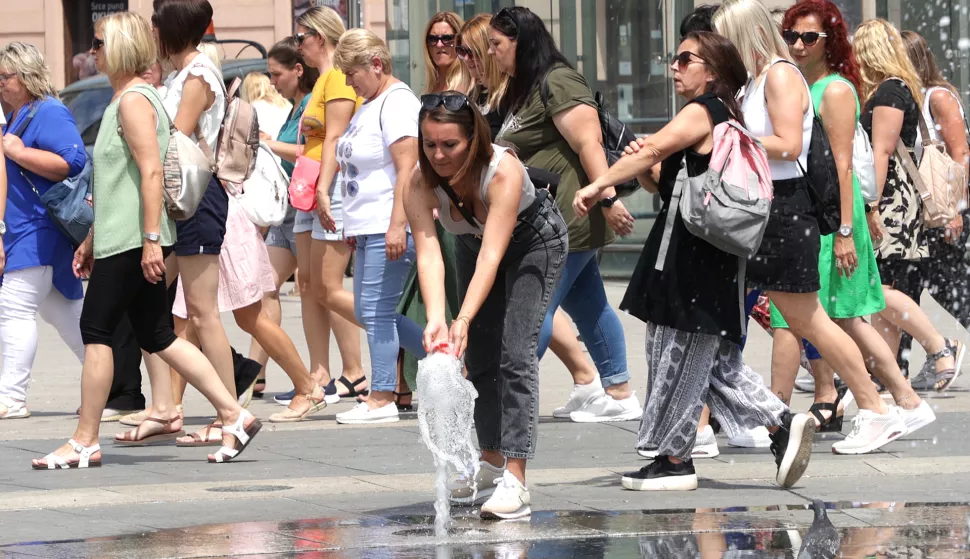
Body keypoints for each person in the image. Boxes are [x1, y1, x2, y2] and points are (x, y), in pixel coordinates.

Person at [574, 31, 815, 491]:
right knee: (709, 363)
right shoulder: (721, 118)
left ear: (713, 72)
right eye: (675, 58)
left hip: (692, 259)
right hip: (702, 256)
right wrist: (645, 167)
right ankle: (780, 423)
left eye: (686, 59)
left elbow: (652, 150)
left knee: (678, 356)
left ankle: (676, 458)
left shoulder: (703, 112)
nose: (675, 67)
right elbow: (666, 182)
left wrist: (597, 184)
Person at [31, 12, 259, 469]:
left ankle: (84, 440)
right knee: (158, 336)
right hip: (123, 236)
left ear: (118, 49)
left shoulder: (134, 100)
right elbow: (124, 182)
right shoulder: (132, 97)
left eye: (99, 44)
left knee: (96, 331)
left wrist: (152, 240)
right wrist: (93, 238)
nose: (92, 52)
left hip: (134, 240)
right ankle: (235, 414)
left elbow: (153, 170)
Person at [713, 0, 907, 455]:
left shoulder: (779, 75)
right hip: (770, 209)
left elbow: (790, 143)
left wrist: (729, 136)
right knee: (806, 320)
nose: (722, 48)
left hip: (786, 208)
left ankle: (876, 407)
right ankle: (874, 406)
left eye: (726, 37)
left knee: (812, 321)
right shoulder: (758, 79)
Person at [769, 0, 935, 437]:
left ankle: (777, 417)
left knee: (814, 318)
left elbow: (844, 166)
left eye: (810, 37)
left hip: (832, 222)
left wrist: (846, 229)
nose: (799, 45)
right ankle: (902, 400)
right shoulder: (802, 85)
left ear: (831, 41)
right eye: (792, 37)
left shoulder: (836, 89)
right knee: (838, 318)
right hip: (818, 218)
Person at [407, 91, 567, 518]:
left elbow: (494, 256)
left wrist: (463, 316)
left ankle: (517, 478)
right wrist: (439, 319)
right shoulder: (419, 181)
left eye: (449, 145)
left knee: (516, 354)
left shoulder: (502, 170)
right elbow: (427, 252)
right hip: (469, 241)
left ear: (473, 140)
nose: (438, 154)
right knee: (477, 356)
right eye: (429, 144)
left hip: (533, 240)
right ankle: (491, 458)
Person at [488, 7, 639, 422]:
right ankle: (620, 391)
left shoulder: (558, 79)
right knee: (588, 304)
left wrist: (607, 199)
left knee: (533, 308)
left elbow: (589, 143)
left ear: (521, 41)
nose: (492, 53)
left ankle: (507, 398)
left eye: (497, 44)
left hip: (569, 215)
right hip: (552, 215)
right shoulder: (526, 86)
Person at [854, 19, 964, 397]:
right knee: (888, 286)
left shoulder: (892, 92)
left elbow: (882, 152)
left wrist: (870, 203)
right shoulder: (899, 89)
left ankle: (937, 346)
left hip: (890, 202)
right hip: (897, 200)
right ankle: (889, 374)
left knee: (876, 288)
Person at [331, 29, 429, 423]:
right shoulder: (370, 102)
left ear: (376, 64)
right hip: (368, 224)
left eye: (352, 72)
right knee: (371, 310)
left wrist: (396, 225)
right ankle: (445, 354)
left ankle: (382, 394)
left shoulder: (397, 102)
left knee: (378, 311)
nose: (348, 81)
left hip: (387, 222)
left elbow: (408, 168)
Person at [284, 6, 367, 407]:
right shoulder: (321, 81)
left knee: (327, 287)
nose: (297, 44)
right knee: (309, 286)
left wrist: (324, 189)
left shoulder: (337, 77)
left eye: (301, 37)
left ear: (321, 36)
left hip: (326, 187)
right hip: (310, 185)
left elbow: (334, 138)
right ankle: (322, 371)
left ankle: (375, 350)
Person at [0, 42, 86, 420]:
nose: (0, 83)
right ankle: (116, 383)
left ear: (27, 75)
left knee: (15, 307)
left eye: (6, 76)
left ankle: (10, 398)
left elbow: (73, 160)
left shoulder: (48, 110)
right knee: (63, 312)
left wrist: (19, 153)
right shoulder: (21, 113)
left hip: (36, 229)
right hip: (28, 229)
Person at [900, 30, 970, 392]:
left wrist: (955, 208)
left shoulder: (937, 98)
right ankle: (909, 362)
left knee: (953, 288)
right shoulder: (906, 100)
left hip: (943, 212)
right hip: (919, 214)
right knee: (907, 287)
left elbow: (961, 154)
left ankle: (934, 353)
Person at [250, 37, 320, 398]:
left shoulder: (310, 104)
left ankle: (331, 373)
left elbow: (308, 153)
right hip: (287, 210)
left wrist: (266, 142)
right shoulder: (295, 106)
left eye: (276, 74)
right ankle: (254, 373)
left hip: (304, 206)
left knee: (319, 292)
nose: (272, 81)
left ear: (297, 70)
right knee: (265, 288)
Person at [422, 12, 471, 95]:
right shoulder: (429, 89)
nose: (439, 45)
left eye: (447, 38)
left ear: (460, 42)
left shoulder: (469, 87)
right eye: (433, 39)